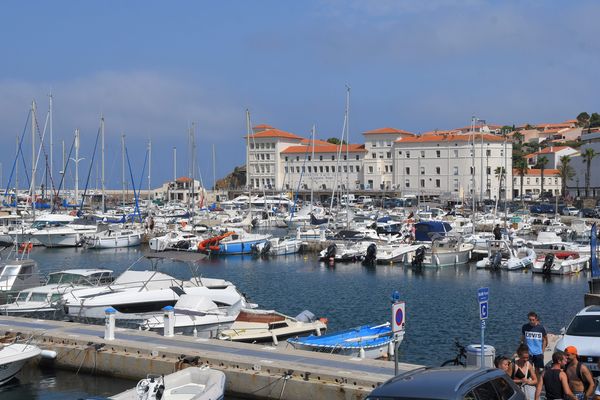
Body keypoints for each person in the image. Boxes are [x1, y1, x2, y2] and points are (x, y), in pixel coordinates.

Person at [521, 311, 548, 376]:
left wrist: (542, 351)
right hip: (528, 353)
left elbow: (545, 340)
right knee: (528, 368)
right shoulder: (525, 327)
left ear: (536, 319)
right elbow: (522, 338)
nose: (531, 321)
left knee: (537, 370)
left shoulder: (541, 328)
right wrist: (523, 349)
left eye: (533, 320)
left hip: (538, 353)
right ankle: (529, 382)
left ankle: (537, 383)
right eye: (530, 320)